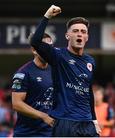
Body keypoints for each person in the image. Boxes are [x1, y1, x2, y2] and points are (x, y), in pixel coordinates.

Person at [30, 5, 101, 137]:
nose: (79, 34)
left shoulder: (90, 61)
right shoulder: (58, 55)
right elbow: (35, 41)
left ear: (87, 37)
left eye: (83, 31)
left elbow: (88, 92)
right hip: (65, 122)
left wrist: (94, 119)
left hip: (87, 122)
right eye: (75, 31)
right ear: (67, 35)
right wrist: (47, 16)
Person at [11, 33, 55, 137]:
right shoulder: (23, 73)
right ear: (34, 50)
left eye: (50, 46)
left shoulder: (56, 69)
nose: (48, 50)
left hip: (51, 133)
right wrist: (43, 116)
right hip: (27, 134)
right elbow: (16, 104)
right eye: (44, 46)